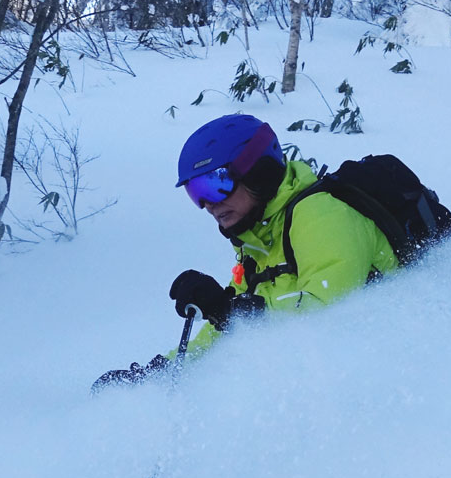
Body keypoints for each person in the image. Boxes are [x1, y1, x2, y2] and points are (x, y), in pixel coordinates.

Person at [95, 114, 398, 388]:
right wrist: (165, 371)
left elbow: (327, 315)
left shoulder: (321, 217)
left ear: (258, 173)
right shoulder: (258, 239)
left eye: (216, 184)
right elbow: (230, 327)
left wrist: (230, 313)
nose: (208, 204)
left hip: (379, 376)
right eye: (196, 193)